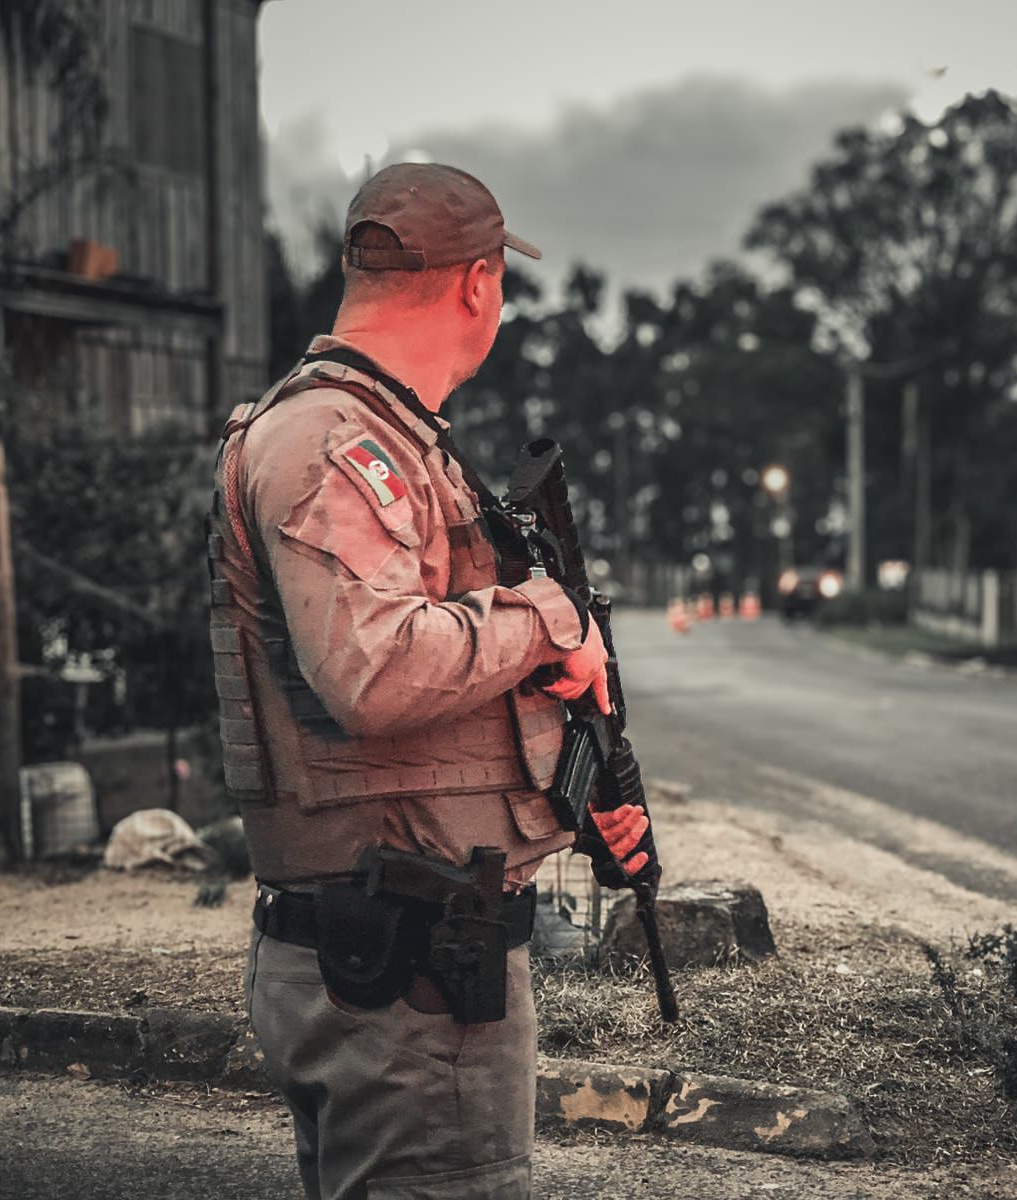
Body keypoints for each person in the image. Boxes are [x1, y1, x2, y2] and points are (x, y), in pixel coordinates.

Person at [206, 162, 656, 1200]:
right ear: (477, 284)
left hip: (402, 953)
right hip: (405, 979)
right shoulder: (336, 443)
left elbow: (432, 666)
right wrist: (552, 621)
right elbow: (372, 669)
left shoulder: (384, 436)